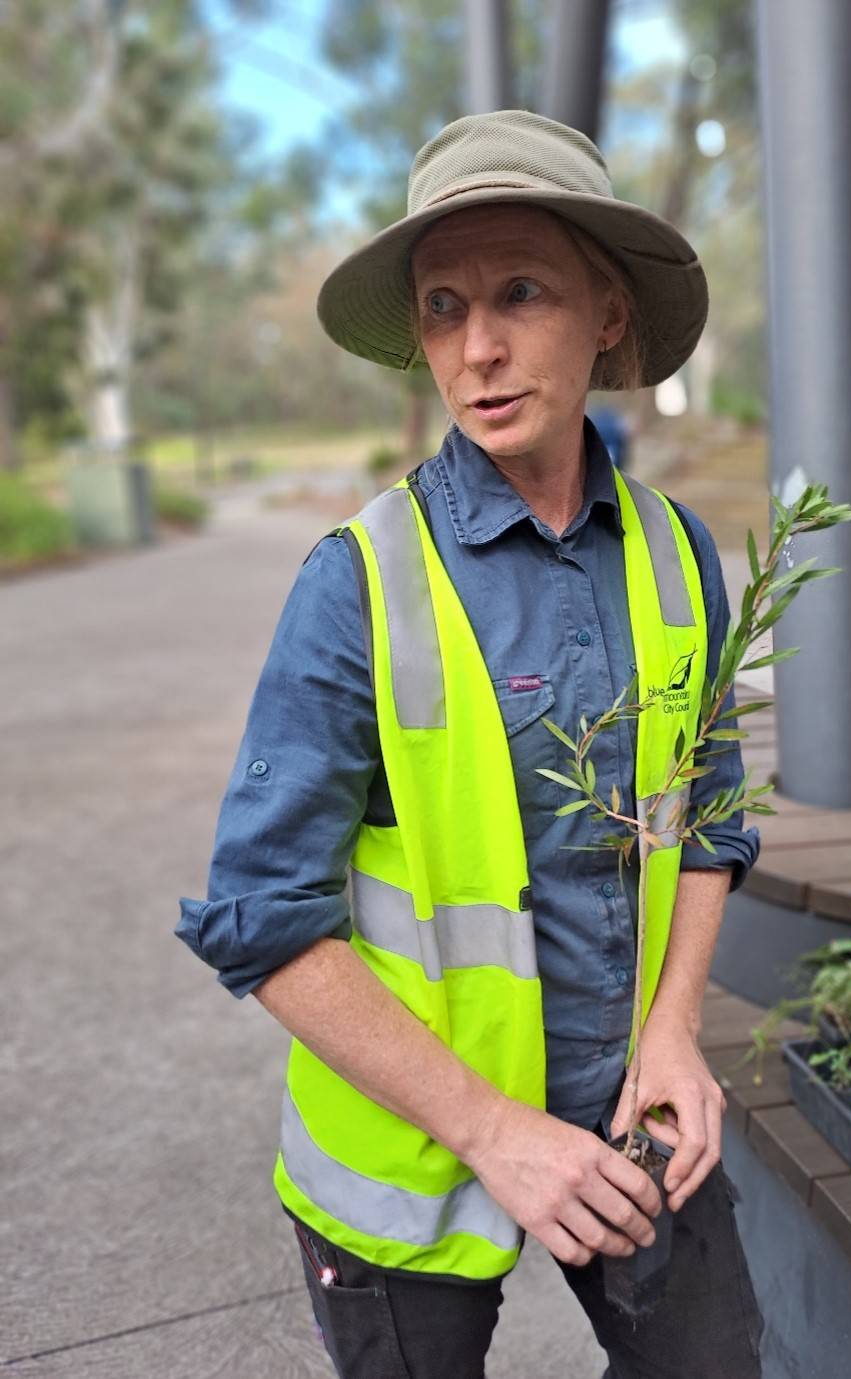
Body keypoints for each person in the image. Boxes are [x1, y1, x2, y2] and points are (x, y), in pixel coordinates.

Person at [177, 108, 764, 1378]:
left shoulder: (678, 554)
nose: (478, 348)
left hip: (629, 1102)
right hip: (411, 1149)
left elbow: (702, 810)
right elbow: (262, 916)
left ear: (608, 313)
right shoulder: (358, 583)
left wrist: (675, 1026)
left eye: (519, 292)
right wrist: (496, 1128)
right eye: (443, 307)